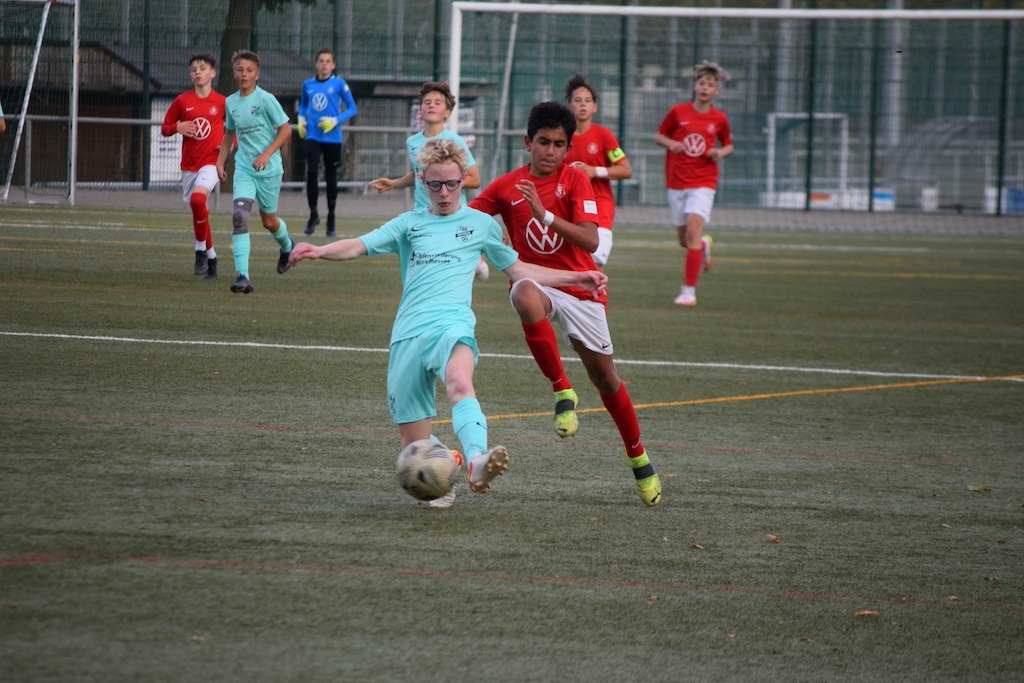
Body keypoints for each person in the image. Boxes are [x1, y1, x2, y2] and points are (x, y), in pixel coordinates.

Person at [289, 137, 608, 508]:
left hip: (452, 326)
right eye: (435, 184)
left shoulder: (480, 224)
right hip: (408, 335)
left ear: (462, 181)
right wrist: (318, 251)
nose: (444, 193)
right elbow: (359, 244)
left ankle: (476, 460)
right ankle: (447, 470)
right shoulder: (408, 224)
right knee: (413, 447)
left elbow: (519, 269)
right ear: (422, 181)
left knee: (460, 382)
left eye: (452, 184)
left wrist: (576, 277)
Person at [470, 101, 662, 507]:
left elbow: (591, 241)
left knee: (606, 379)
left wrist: (544, 216)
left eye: (559, 144)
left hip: (580, 285)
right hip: (538, 282)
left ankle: (638, 455)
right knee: (523, 293)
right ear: (528, 142)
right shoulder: (506, 185)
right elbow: (468, 220)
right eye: (544, 142)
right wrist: (486, 231)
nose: (551, 151)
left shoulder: (575, 180)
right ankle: (562, 391)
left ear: (568, 148)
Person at [367, 81, 489, 281]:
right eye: (427, 102)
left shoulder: (455, 142)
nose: (431, 105)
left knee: (445, 269)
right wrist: (394, 184)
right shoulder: (412, 142)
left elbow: (474, 179)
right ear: (420, 111)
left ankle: (473, 258)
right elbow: (420, 175)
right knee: (420, 268)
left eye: (438, 103)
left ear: (447, 112)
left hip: (450, 213)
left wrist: (444, 183)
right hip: (422, 213)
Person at [654, 60, 733, 307]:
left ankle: (688, 292)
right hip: (677, 181)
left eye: (710, 84)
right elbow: (659, 135)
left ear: (717, 90)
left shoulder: (719, 118)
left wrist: (720, 152)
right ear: (695, 86)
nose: (705, 87)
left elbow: (728, 145)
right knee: (685, 240)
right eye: (702, 83)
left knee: (693, 228)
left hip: (704, 181)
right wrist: (671, 143)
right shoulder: (678, 112)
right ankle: (704, 245)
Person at [216, 50, 295, 295]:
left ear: (257, 75)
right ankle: (243, 276)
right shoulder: (230, 102)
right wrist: (220, 162)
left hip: (270, 171)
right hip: (244, 169)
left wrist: (267, 154)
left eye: (249, 71)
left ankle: (287, 246)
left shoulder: (266, 99)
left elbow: (286, 130)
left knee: (269, 222)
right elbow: (229, 133)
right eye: (240, 70)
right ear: (234, 73)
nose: (244, 74)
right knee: (239, 217)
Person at [160, 53, 225, 281]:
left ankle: (199, 250)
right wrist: (177, 127)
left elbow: (235, 132)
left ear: (212, 73)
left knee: (198, 200)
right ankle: (212, 257)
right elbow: (165, 128)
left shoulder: (222, 102)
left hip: (210, 163)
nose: (197, 71)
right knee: (199, 210)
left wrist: (227, 147)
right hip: (189, 165)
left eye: (202, 68)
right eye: (194, 69)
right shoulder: (182, 101)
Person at [563, 73, 632, 270]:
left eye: (587, 101)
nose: (583, 105)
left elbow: (625, 169)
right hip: (568, 208)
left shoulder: (604, 136)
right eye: (578, 100)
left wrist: (595, 171)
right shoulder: (561, 138)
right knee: (571, 270)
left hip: (600, 207)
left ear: (595, 107)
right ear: (569, 106)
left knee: (593, 269)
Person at [297, 48, 358, 237]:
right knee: (312, 172)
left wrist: (335, 120)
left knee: (331, 177)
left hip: (332, 137)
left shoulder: (339, 84)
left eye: (328, 61)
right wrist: (301, 119)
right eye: (321, 61)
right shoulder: (308, 84)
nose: (324, 64)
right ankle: (313, 214)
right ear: (316, 64)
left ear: (333, 65)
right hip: (313, 136)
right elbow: (304, 105)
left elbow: (352, 108)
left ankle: (331, 218)